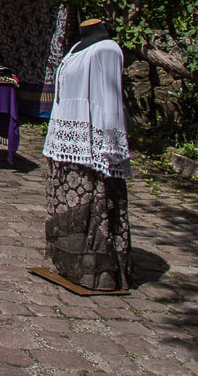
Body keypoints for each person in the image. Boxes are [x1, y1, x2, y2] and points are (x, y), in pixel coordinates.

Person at [43, 18, 133, 290]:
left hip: (90, 144)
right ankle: (70, 264)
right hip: (67, 136)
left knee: (91, 201)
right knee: (69, 203)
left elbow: (110, 99)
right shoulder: (77, 48)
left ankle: (95, 270)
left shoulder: (107, 49)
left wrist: (109, 146)